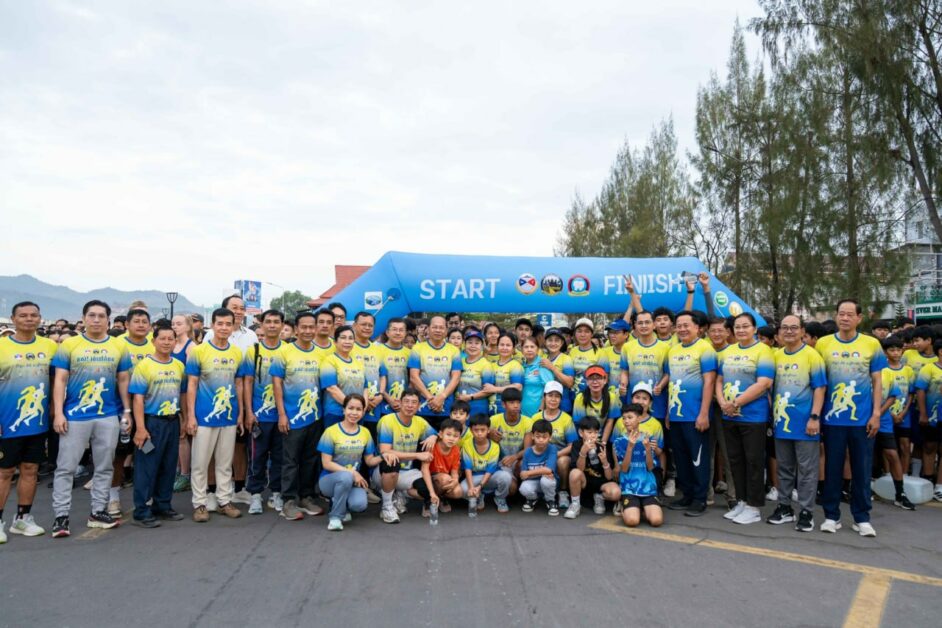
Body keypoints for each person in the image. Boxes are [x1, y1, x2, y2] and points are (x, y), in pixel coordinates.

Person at [51, 300, 131, 538]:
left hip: (108, 415)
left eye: (101, 316)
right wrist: (59, 412)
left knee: (104, 466)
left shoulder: (118, 345)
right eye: (92, 315)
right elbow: (60, 380)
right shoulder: (70, 344)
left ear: (108, 319)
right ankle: (61, 517)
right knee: (66, 467)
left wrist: (126, 411)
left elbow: (123, 379)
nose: (96, 320)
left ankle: (98, 512)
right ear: (84, 318)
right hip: (75, 415)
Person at [816, 299, 886, 536]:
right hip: (832, 420)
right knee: (832, 468)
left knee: (862, 469)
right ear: (836, 316)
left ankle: (862, 518)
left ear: (859, 318)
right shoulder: (823, 344)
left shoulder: (871, 344)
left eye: (849, 314)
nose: (845, 318)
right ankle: (831, 516)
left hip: (862, 420)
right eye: (841, 314)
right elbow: (819, 383)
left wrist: (876, 413)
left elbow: (877, 381)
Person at [185, 307, 249, 523]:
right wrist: (191, 416)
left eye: (228, 324)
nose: (224, 328)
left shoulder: (237, 353)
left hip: (228, 417)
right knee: (200, 464)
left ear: (233, 326)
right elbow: (191, 385)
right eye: (219, 323)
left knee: (225, 463)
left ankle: (224, 501)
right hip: (204, 416)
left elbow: (239, 384)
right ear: (212, 325)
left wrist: (240, 413)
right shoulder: (199, 351)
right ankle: (200, 504)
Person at [0, 302, 56, 542]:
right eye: (23, 315)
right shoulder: (2, 346)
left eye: (34, 315)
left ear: (40, 319)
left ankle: (22, 519)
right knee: (4, 472)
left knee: (30, 469)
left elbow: (56, 380)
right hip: (7, 421)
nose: (29, 319)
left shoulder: (50, 346)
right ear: (13, 319)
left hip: (37, 422)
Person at [768, 315, 827, 531]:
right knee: (784, 468)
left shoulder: (812, 356)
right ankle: (784, 508)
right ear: (779, 332)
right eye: (785, 328)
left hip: (806, 424)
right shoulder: (775, 356)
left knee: (807, 471)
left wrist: (814, 417)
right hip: (782, 423)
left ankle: (806, 512)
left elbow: (820, 388)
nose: (789, 331)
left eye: (794, 328)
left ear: (802, 331)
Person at [715, 313, 775, 525]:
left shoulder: (763, 351)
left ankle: (754, 506)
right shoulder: (729, 351)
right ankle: (741, 500)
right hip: (729, 414)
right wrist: (723, 402)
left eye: (745, 326)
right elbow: (719, 380)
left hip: (753, 417)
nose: (741, 330)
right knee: (736, 460)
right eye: (737, 327)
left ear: (754, 329)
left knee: (753, 461)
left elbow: (764, 383)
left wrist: (736, 403)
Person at [129, 319, 187, 527]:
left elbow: (182, 394)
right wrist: (140, 428)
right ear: (154, 341)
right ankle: (141, 511)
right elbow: (137, 398)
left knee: (168, 466)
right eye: (162, 339)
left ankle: (163, 505)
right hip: (151, 423)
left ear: (175, 342)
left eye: (171, 339)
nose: (166, 342)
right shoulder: (144, 366)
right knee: (147, 467)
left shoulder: (179, 365)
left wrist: (184, 419)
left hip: (172, 422)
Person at [271, 312, 325, 520]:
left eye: (312, 327)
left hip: (315, 417)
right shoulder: (284, 352)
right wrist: (282, 414)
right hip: (292, 417)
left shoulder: (321, 354)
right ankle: (288, 500)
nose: (308, 331)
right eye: (304, 327)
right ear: (296, 329)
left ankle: (306, 497)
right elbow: (277, 384)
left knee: (310, 459)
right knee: (290, 460)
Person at [665, 310, 717, 517]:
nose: (682, 329)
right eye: (679, 325)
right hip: (676, 415)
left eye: (686, 325)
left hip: (696, 415)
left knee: (698, 457)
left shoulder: (705, 349)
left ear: (697, 327)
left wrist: (704, 413)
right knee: (681, 457)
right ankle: (687, 495)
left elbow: (709, 382)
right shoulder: (673, 350)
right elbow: (671, 382)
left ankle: (699, 498)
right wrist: (668, 413)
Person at [110, 308, 155, 515]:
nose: (141, 325)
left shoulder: (154, 345)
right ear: (127, 325)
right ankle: (113, 497)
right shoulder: (117, 344)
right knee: (119, 454)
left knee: (148, 451)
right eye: (136, 321)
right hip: (122, 409)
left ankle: (147, 495)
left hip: (149, 410)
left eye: (144, 321)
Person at [243, 309, 288, 515]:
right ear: (261, 325)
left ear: (282, 325)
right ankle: (255, 494)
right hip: (259, 416)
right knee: (257, 457)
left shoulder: (288, 350)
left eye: (276, 322)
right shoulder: (253, 350)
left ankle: (276, 493)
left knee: (280, 456)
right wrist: (249, 412)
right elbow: (248, 382)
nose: (272, 325)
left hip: (282, 415)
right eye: (268, 322)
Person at [317, 394, 382, 530]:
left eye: (358, 409)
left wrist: (385, 456)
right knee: (346, 476)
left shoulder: (365, 432)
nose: (354, 412)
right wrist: (352, 473)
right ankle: (335, 517)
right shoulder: (331, 431)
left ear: (363, 412)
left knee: (359, 505)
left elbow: (369, 461)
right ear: (343, 410)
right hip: (329, 480)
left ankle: (339, 502)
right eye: (350, 408)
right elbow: (326, 464)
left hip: (352, 481)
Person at [374, 389, 438, 523]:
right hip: (384, 471)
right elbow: (385, 451)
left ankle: (400, 494)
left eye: (414, 402)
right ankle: (387, 506)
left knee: (428, 491)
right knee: (392, 461)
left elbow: (437, 434)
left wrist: (433, 437)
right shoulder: (388, 420)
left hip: (407, 472)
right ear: (400, 403)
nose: (410, 405)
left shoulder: (419, 421)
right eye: (406, 401)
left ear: (419, 405)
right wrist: (417, 455)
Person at [879, 336, 915, 510]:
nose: (896, 353)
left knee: (893, 454)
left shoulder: (903, 371)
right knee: (864, 456)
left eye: (898, 349)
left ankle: (900, 494)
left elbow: (894, 396)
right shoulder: (879, 370)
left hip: (885, 420)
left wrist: (895, 413)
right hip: (868, 420)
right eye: (891, 350)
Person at [613, 404, 663, 528]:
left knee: (656, 521)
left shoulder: (648, 438)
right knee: (632, 521)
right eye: (624, 418)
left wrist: (648, 448)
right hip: (629, 488)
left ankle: (641, 508)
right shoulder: (619, 441)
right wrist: (630, 447)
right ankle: (625, 506)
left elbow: (650, 467)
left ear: (639, 419)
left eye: (630, 417)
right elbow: (624, 469)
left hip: (648, 488)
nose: (626, 421)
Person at [408, 315, 462, 429]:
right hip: (422, 406)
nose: (438, 330)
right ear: (428, 329)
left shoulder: (454, 350)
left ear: (446, 330)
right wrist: (430, 399)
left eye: (441, 327)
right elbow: (413, 377)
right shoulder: (417, 349)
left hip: (446, 407)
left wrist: (442, 397)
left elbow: (456, 377)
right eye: (434, 327)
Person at [530, 381, 577, 507]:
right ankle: (534, 493)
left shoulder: (566, 419)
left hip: (559, 455)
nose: (553, 399)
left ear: (561, 399)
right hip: (539, 455)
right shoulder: (535, 417)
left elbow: (572, 445)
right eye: (550, 395)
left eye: (557, 396)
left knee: (563, 462)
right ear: (544, 397)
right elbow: (530, 443)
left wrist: (555, 455)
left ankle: (562, 491)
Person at [564, 417, 619, 519]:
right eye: (589, 432)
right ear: (581, 433)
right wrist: (583, 452)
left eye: (596, 432)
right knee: (574, 473)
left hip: (601, 482)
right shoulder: (577, 444)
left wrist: (605, 462)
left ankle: (600, 497)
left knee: (616, 493)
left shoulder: (602, 446)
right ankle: (575, 504)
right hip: (584, 482)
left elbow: (609, 477)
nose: (593, 435)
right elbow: (579, 469)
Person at [461, 414, 512, 513]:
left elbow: (490, 470)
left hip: (490, 476)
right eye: (476, 430)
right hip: (474, 476)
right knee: (462, 490)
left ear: (488, 430)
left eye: (482, 430)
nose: (479, 433)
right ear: (471, 430)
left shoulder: (495, 446)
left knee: (506, 476)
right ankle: (478, 496)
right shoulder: (467, 444)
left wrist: (479, 486)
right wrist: (471, 487)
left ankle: (500, 498)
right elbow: (468, 468)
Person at [321, 326, 368, 427]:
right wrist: (353, 408)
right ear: (335, 342)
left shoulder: (358, 363)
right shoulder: (329, 361)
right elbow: (332, 388)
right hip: (335, 413)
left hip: (357, 415)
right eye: (343, 338)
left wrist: (362, 408)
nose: (347, 341)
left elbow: (365, 388)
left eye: (350, 338)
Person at [488, 388, 532, 492]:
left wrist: (514, 457)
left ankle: (523, 487)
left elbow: (528, 449)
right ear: (503, 404)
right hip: (500, 462)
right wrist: (489, 435)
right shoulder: (493, 420)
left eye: (518, 402)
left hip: (518, 460)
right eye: (512, 402)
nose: (516, 406)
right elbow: (482, 442)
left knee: (522, 464)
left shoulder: (528, 421)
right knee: (511, 489)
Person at [915, 338, 942, 501]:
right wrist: (923, 413)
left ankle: (939, 486)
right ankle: (928, 481)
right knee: (929, 447)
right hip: (932, 416)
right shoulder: (929, 368)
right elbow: (920, 391)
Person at [171, 314, 196, 492]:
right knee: (176, 435)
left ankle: (186, 474)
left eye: (179, 324)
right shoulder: (170, 344)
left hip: (185, 394)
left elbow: (192, 377)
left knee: (183, 435)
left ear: (187, 327)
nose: (175, 326)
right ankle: (178, 469)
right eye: (173, 324)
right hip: (169, 395)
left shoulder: (191, 347)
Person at [423, 418, 465, 514]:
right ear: (441, 434)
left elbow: (454, 471)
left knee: (458, 492)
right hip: (429, 478)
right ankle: (428, 499)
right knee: (445, 478)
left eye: (455, 436)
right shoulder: (432, 446)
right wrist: (431, 493)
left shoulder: (456, 450)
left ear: (459, 438)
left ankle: (441, 498)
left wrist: (455, 481)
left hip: (444, 478)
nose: (451, 438)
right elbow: (424, 470)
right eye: (448, 434)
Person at [350, 312, 385, 426]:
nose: (367, 328)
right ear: (354, 325)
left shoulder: (378, 349)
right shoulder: (347, 347)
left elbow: (382, 375)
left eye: (370, 325)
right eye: (363, 324)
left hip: (375, 405)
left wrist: (380, 395)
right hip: (353, 407)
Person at [519, 419, 559, 515]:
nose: (541, 440)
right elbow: (522, 475)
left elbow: (548, 470)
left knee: (546, 480)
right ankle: (533, 499)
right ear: (532, 436)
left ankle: (550, 500)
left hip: (549, 482)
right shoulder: (528, 451)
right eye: (538, 436)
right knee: (524, 488)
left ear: (550, 437)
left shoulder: (552, 449)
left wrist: (529, 473)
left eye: (544, 437)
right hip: (534, 482)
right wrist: (542, 471)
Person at [574, 365, 621, 444]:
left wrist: (603, 443)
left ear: (605, 380)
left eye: (598, 378)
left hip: (603, 437)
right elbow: (582, 424)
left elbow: (610, 421)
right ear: (587, 381)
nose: (595, 382)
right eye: (591, 378)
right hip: (586, 438)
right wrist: (589, 443)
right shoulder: (580, 398)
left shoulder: (612, 397)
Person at [378, 317, 410, 425]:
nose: (398, 333)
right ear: (387, 332)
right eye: (394, 329)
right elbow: (374, 378)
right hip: (382, 403)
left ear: (405, 333)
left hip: (404, 405)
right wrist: (388, 398)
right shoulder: (377, 351)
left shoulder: (410, 353)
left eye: (401, 330)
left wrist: (403, 400)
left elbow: (412, 379)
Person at [456, 329, 494, 417]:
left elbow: (489, 390)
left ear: (482, 346)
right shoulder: (460, 362)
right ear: (464, 344)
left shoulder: (486, 365)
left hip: (478, 409)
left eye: (477, 343)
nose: (473, 346)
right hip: (459, 409)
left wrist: (470, 397)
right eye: (470, 342)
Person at [486, 332, 524, 416]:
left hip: (508, 409)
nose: (504, 348)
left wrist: (495, 389)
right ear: (497, 346)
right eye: (502, 345)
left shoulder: (515, 365)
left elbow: (518, 387)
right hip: (492, 407)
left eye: (508, 345)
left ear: (513, 349)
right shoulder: (492, 365)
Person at [540, 328, 575, 413]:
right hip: (545, 406)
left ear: (562, 343)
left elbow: (570, 383)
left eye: (557, 340)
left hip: (563, 405)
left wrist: (552, 368)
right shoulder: (543, 358)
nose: (553, 343)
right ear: (545, 342)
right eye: (550, 340)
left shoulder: (566, 359)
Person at [569, 318, 606, 394]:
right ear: (575, 333)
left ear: (592, 334)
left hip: (592, 396)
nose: (582, 335)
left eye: (586, 331)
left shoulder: (601, 353)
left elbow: (605, 378)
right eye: (579, 331)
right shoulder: (572, 351)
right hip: (574, 395)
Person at [520, 336, 554, 416]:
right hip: (522, 412)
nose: (529, 350)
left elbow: (550, 389)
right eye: (526, 347)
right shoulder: (521, 366)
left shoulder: (542, 365)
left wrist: (541, 409)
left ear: (538, 349)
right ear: (522, 350)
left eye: (532, 347)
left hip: (538, 413)